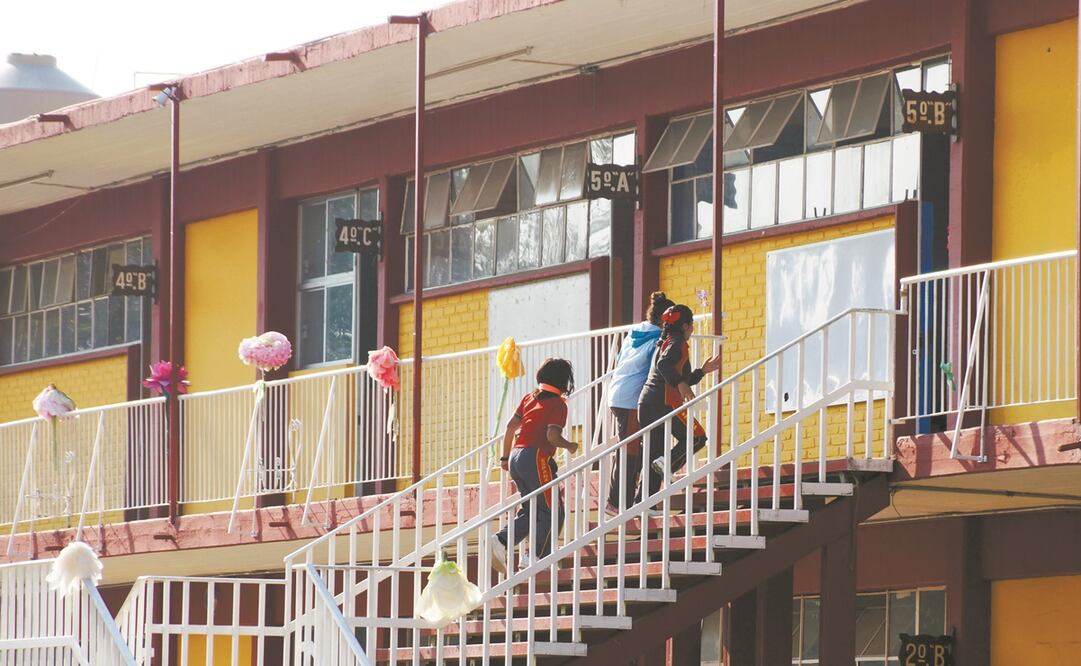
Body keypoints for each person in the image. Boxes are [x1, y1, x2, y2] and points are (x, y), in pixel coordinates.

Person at [489, 358, 579, 574]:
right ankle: (535, 555)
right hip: (536, 457)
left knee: (532, 510)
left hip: (516, 456)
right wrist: (571, 446)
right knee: (554, 511)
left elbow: (511, 427)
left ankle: (502, 541)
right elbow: (552, 435)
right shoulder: (558, 404)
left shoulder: (529, 397)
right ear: (563, 381)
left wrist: (504, 458)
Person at [637, 304, 721, 508]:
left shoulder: (666, 342)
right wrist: (682, 384)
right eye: (691, 325)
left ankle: (643, 505)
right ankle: (669, 465)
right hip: (662, 403)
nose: (692, 329)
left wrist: (702, 371)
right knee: (697, 437)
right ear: (685, 326)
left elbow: (676, 375)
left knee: (656, 457)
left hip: (648, 404)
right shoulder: (677, 343)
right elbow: (664, 366)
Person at [604, 291, 675, 516]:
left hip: (617, 392)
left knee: (633, 446)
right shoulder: (657, 339)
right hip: (632, 397)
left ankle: (625, 499)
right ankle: (617, 502)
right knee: (630, 449)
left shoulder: (634, 333)